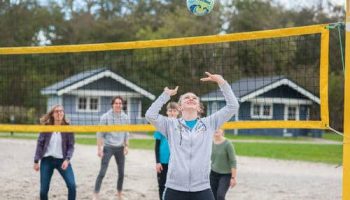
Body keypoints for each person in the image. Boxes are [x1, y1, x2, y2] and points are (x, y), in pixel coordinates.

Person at [145, 72, 239, 200]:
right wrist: (165, 95)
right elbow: (150, 115)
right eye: (186, 98)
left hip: (202, 188)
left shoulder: (209, 123)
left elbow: (233, 106)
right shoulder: (171, 125)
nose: (190, 98)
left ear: (199, 108)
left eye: (194, 98)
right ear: (180, 107)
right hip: (174, 188)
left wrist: (222, 82)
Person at [33, 105, 76, 200]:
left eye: (61, 111)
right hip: (47, 160)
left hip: (62, 160)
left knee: (72, 185)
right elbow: (40, 144)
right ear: (52, 114)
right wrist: (36, 161)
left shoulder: (68, 128)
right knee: (43, 191)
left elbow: (71, 146)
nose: (59, 113)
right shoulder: (46, 127)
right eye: (56, 111)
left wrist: (67, 160)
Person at [93, 96, 130, 200]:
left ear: (122, 105)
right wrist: (99, 149)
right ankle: (95, 194)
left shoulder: (125, 117)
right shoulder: (105, 117)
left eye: (120, 103)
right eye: (116, 103)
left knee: (121, 173)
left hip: (120, 148)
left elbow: (127, 133)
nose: (118, 105)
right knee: (102, 172)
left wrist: (126, 146)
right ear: (112, 104)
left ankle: (119, 194)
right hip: (108, 147)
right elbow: (99, 134)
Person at [154, 102, 179, 200]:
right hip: (163, 161)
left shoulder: (181, 125)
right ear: (167, 112)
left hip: (177, 162)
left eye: (174, 111)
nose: (172, 113)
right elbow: (157, 146)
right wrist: (157, 162)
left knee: (176, 186)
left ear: (178, 112)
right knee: (162, 185)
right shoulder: (161, 125)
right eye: (170, 111)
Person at [210, 129, 237, 200]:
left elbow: (233, 161)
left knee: (220, 196)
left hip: (226, 175)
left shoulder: (228, 144)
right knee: (212, 196)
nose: (216, 130)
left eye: (219, 128)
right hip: (213, 173)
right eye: (215, 128)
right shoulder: (210, 143)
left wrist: (233, 178)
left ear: (223, 131)